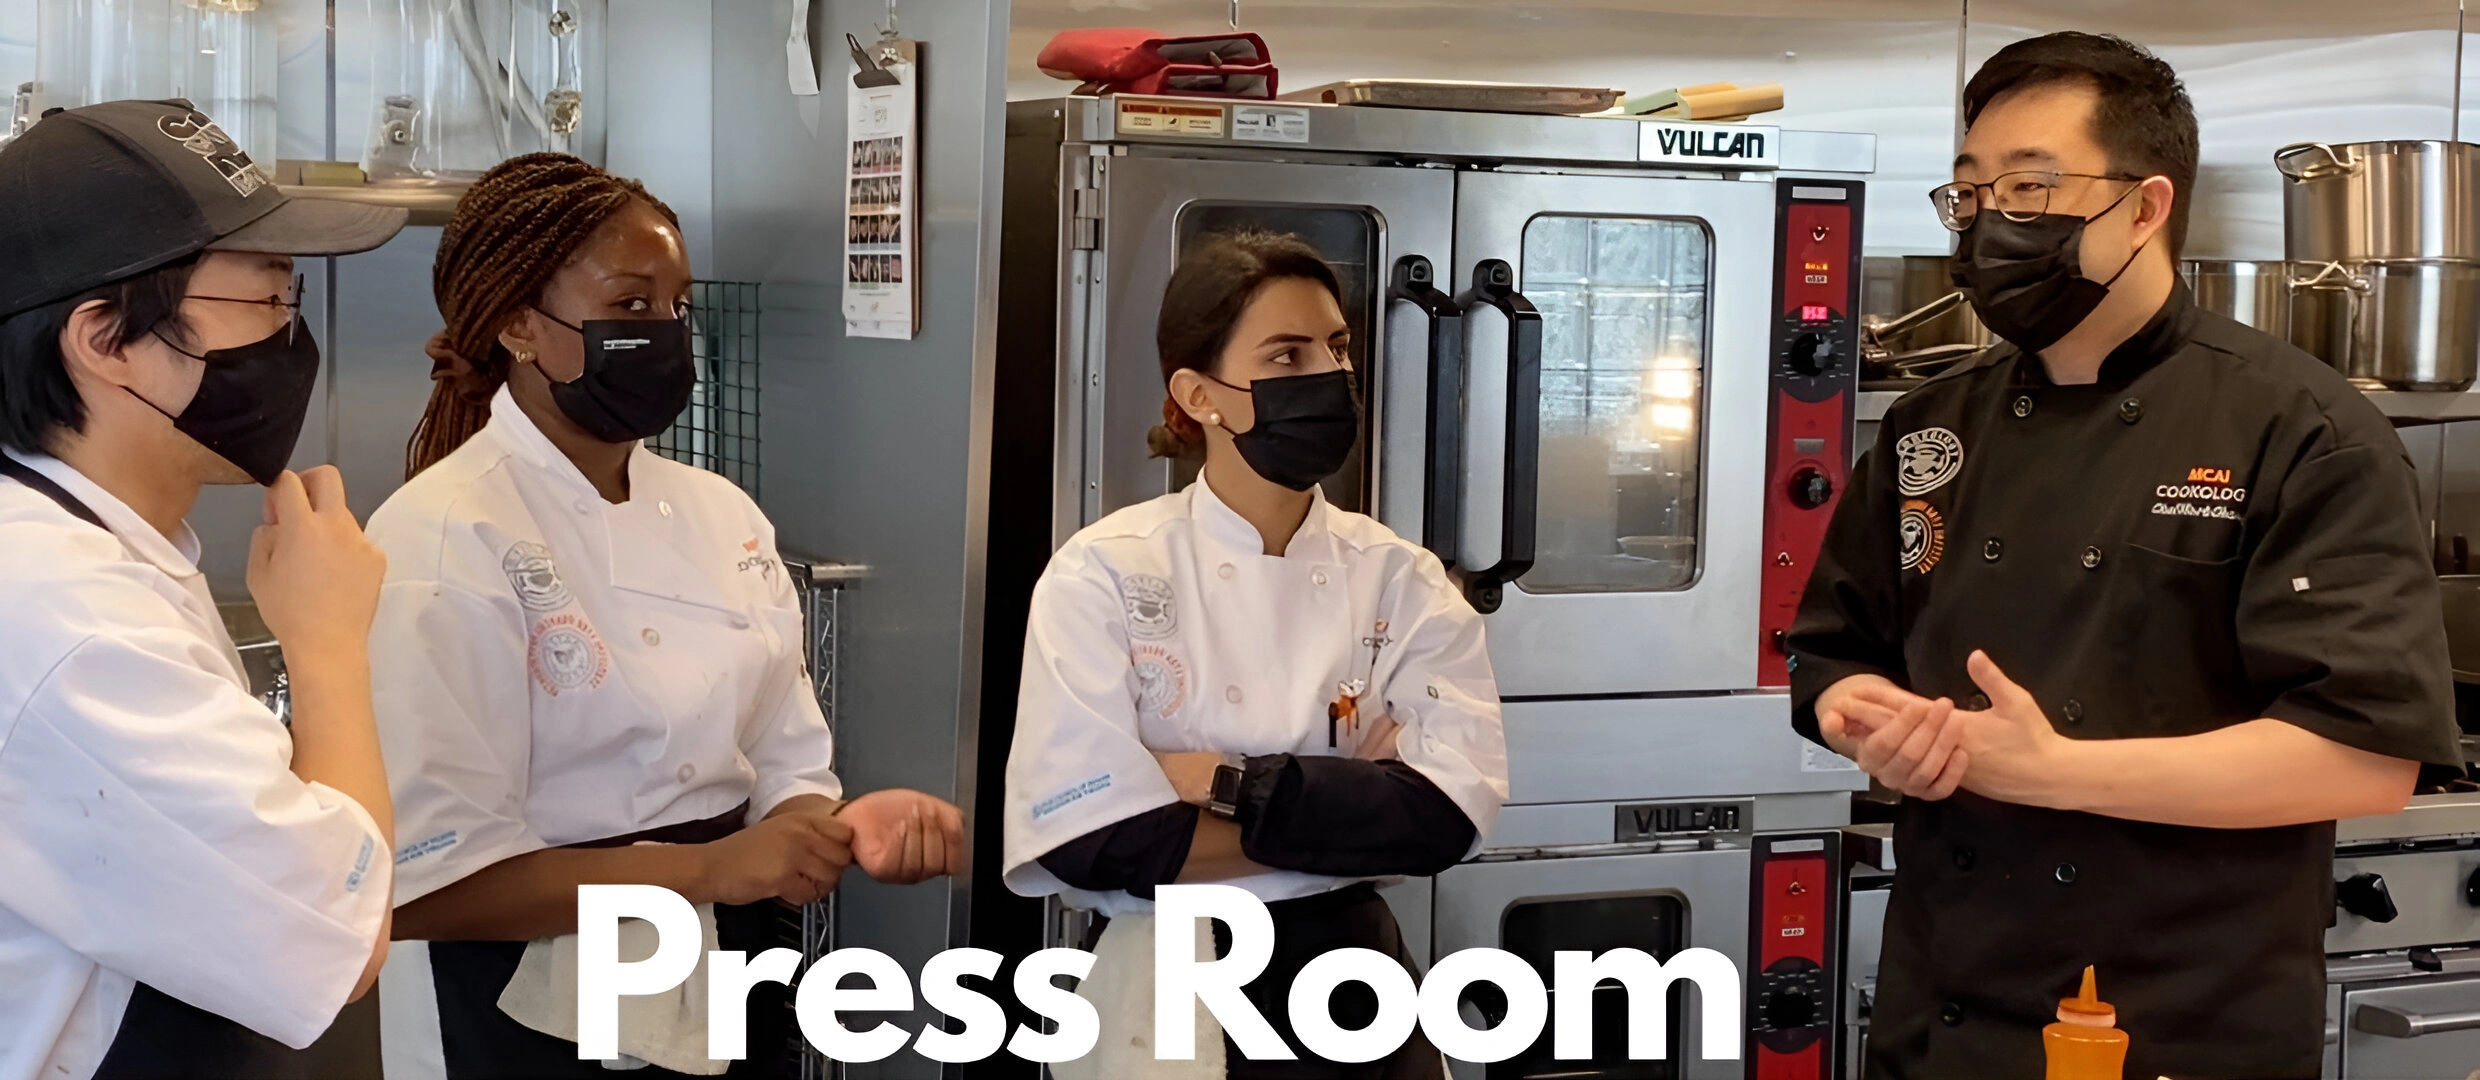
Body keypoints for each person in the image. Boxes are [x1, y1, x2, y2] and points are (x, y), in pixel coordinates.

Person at [1788, 33, 2463, 1079]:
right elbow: (1834, 652)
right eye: (1968, 192)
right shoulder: (1931, 426)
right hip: (1941, 1013)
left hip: (2176, 1024)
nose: (1985, 224)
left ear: (2144, 207)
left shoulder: (2297, 427)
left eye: (2028, 186)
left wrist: (2057, 773)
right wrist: (1861, 721)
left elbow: (2361, 757)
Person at [364, 153, 964, 1078]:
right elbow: (431, 886)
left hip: (729, 963)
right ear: (521, 325)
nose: (666, 330)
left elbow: (786, 758)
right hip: (520, 999)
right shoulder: (444, 536)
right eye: (632, 305)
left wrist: (829, 828)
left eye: (677, 308)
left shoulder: (723, 513)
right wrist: (712, 871)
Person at [1003, 229, 1509, 1079]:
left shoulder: (1398, 577)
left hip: (1356, 987)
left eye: (1337, 349)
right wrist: (1352, 803)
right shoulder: (1105, 572)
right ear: (1202, 395)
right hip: (1164, 987)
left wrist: (1212, 780)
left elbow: (1444, 817)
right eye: (1286, 354)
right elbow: (1088, 840)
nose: (1329, 376)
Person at [0, 100, 408, 1079]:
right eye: (267, 302)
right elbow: (339, 934)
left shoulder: (87, 549)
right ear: (103, 338)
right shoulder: (67, 620)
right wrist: (327, 645)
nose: (289, 340)